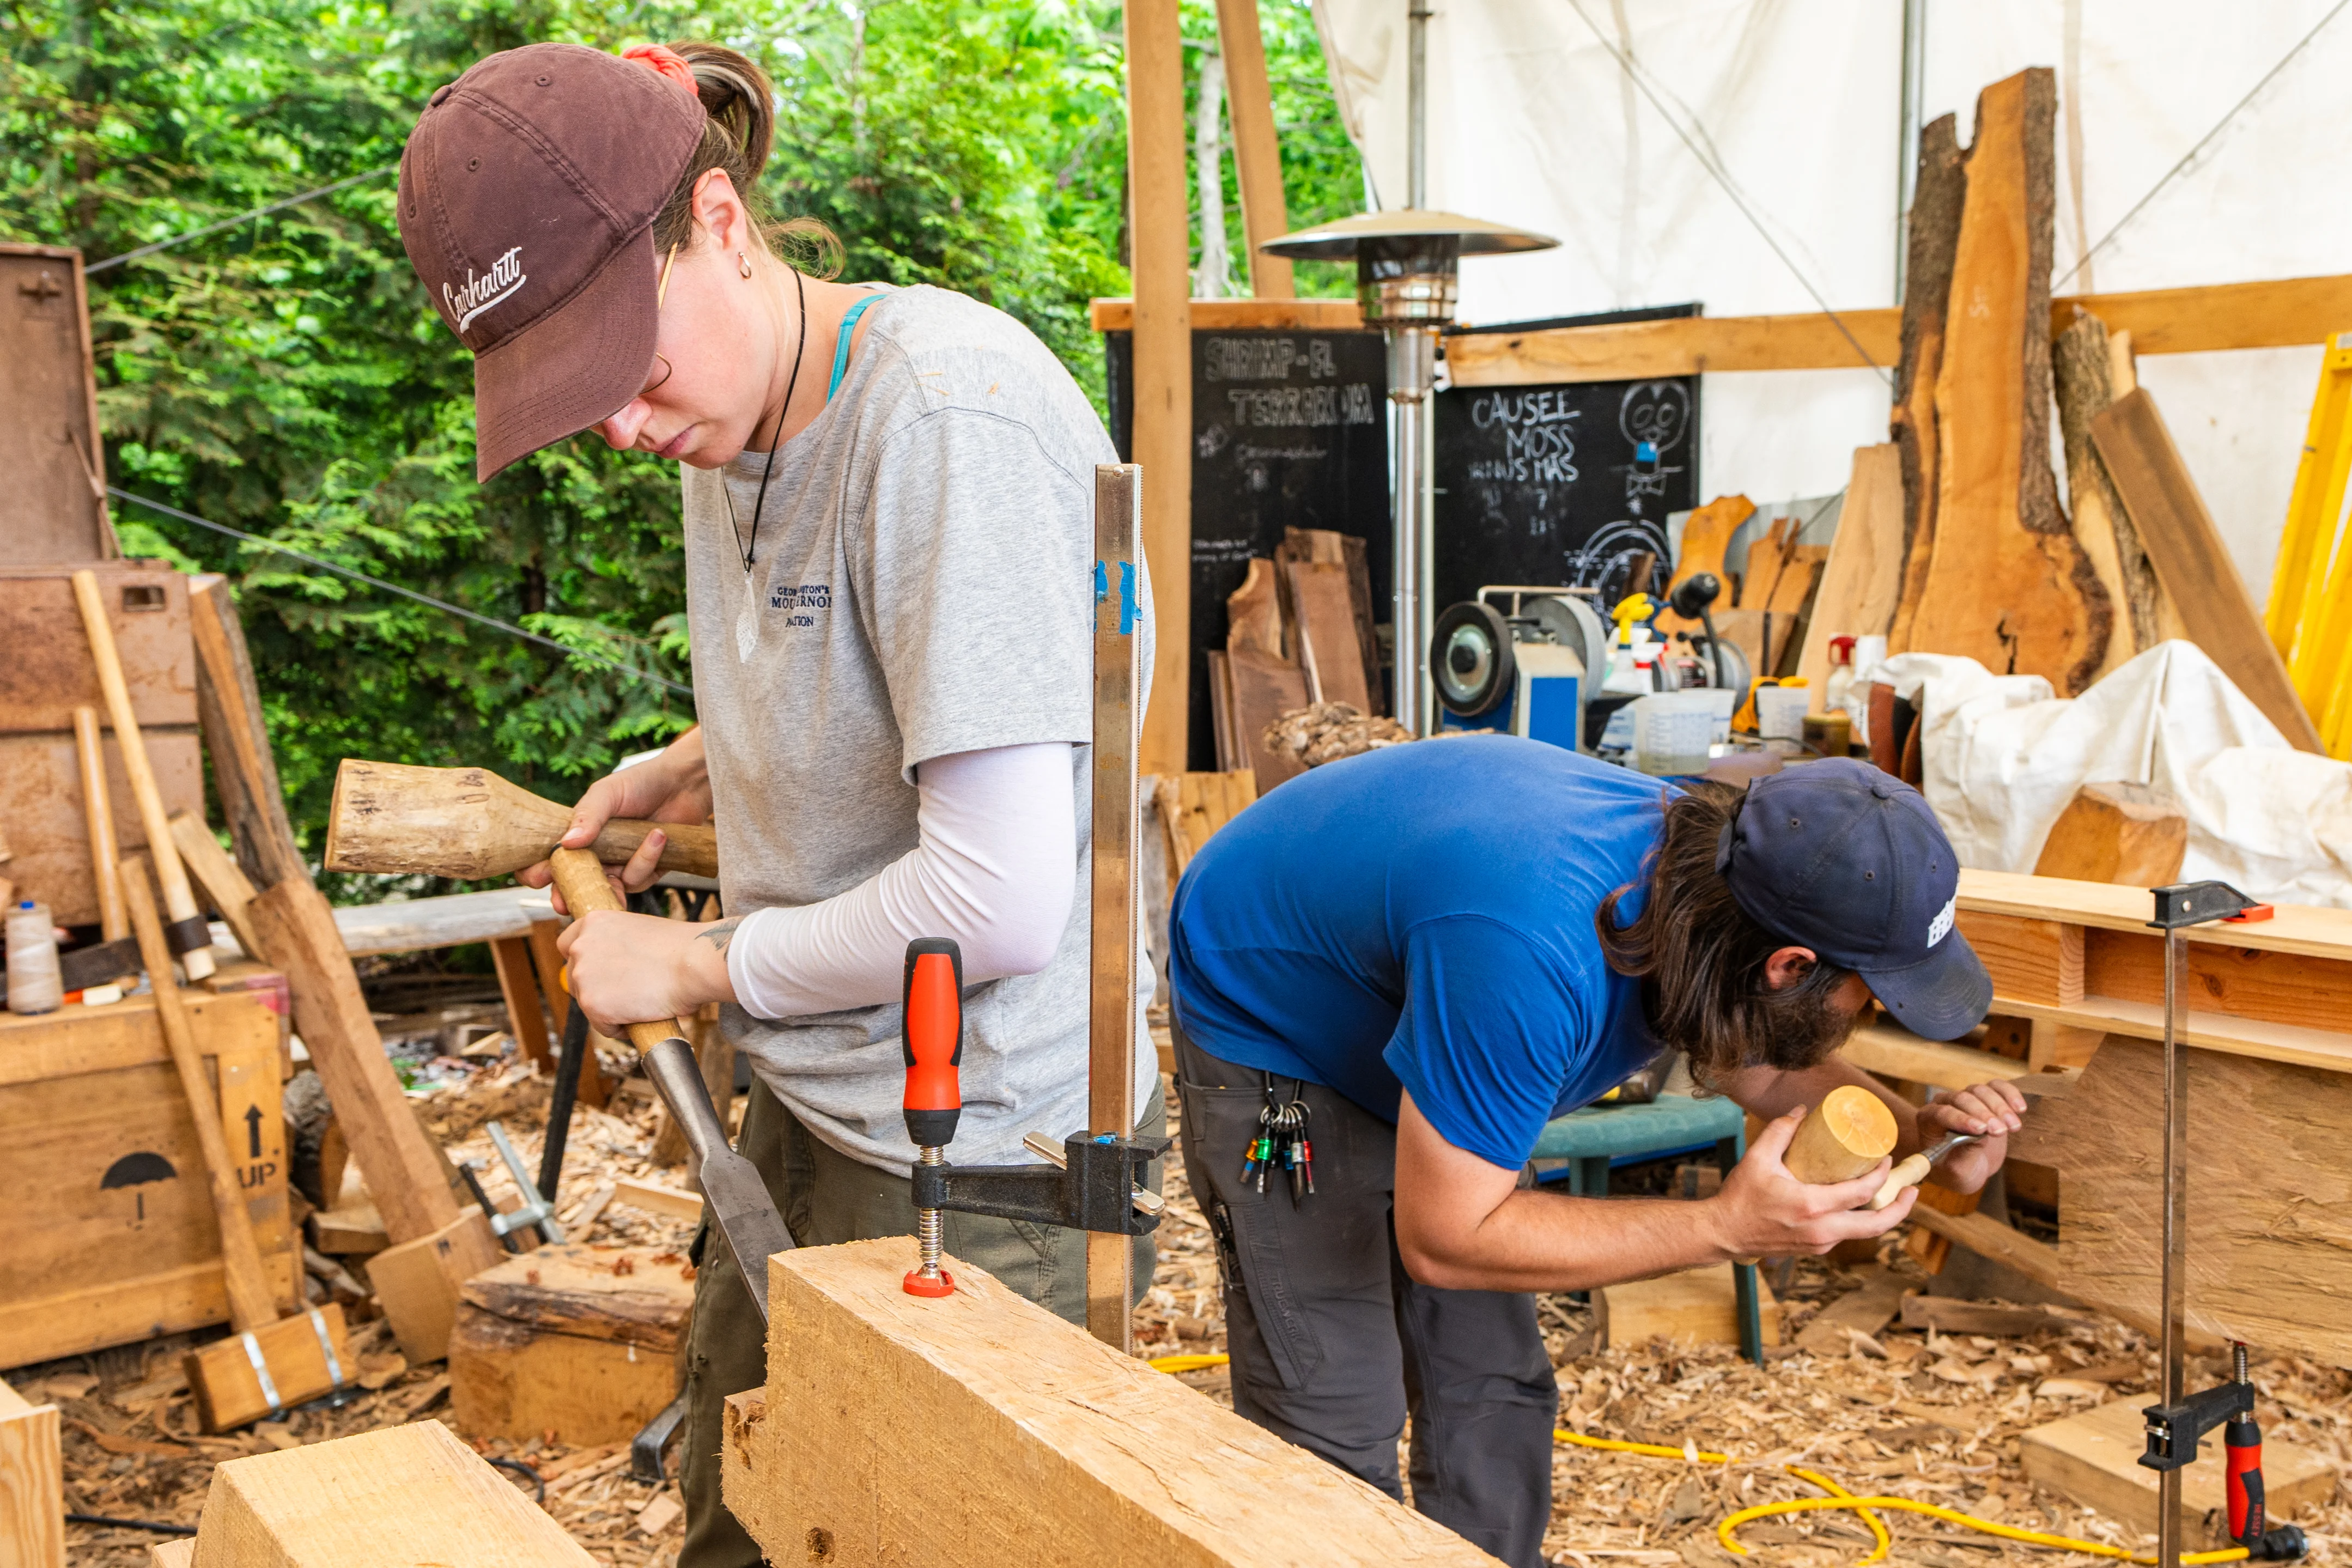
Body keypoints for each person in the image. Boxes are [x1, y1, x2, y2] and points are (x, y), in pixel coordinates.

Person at [394, 39, 1161, 1567]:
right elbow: (898, 659)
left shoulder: (948, 424)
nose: (623, 426)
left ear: (722, 224)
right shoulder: (729, 398)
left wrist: (695, 962)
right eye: (577, 391)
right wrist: (704, 756)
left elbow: (999, 898)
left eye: (628, 368)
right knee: (743, 1517)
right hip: (816, 1092)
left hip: (978, 1160)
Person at [1166, 738, 2020, 1567]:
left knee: (1491, 1388)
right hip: (1277, 1010)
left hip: (1449, 971)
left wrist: (1922, 1136)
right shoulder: (1534, 951)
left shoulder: (1732, 886)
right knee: (1334, 1417)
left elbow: (1754, 1048)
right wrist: (1724, 1226)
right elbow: (1447, 1238)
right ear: (1790, 965)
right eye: (1870, 995)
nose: (1871, 1016)